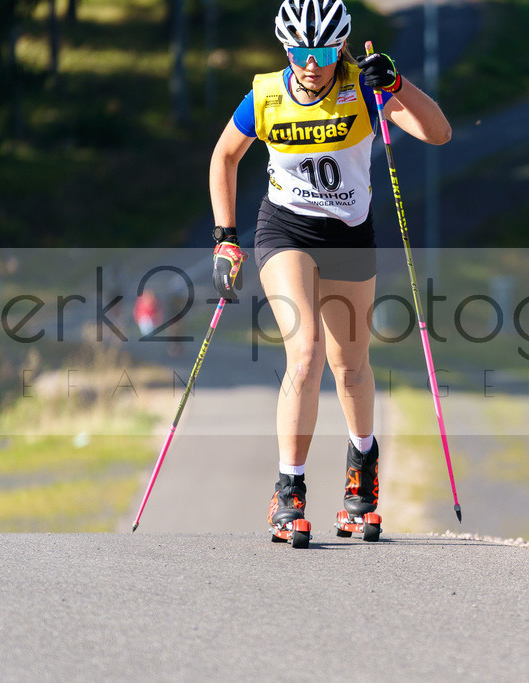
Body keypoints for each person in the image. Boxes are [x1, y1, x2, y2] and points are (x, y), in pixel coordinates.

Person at [208, 0, 451, 533]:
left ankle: (361, 477)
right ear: (285, 48)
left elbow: (439, 134)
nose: (310, 62)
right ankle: (288, 492)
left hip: (347, 235)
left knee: (352, 365)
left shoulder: (364, 88)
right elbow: (225, 156)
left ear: (338, 47)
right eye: (298, 50)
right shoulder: (266, 95)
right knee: (306, 353)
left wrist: (399, 85)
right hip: (285, 230)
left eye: (321, 50)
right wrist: (226, 238)